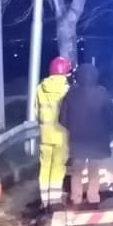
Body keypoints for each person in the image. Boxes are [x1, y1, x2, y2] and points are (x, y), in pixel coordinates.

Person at [59, 62, 113, 208]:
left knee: (77, 169)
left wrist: (73, 129)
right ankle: (93, 197)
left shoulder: (71, 94)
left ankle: (76, 197)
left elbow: (62, 119)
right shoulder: (102, 93)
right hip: (97, 139)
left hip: (78, 140)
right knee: (94, 169)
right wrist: (107, 131)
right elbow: (110, 116)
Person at [35, 56, 72, 211]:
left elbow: (37, 113)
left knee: (45, 167)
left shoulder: (39, 88)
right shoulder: (67, 89)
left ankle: (44, 200)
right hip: (62, 134)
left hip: (45, 134)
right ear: (65, 73)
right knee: (58, 167)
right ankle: (54, 201)